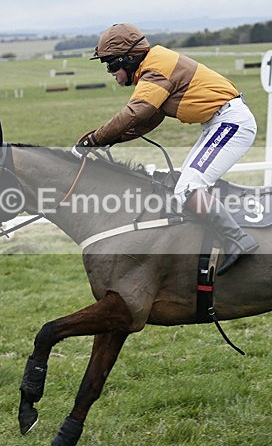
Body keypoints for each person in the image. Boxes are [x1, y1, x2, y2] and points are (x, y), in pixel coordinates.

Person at [73, 23, 258, 275]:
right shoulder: (155, 66)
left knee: (188, 188)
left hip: (230, 123)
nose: (110, 72)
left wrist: (94, 140)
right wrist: (106, 141)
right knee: (186, 185)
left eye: (112, 65)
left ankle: (239, 240)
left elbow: (136, 113)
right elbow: (146, 121)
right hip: (219, 122)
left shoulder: (156, 69)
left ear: (129, 59)